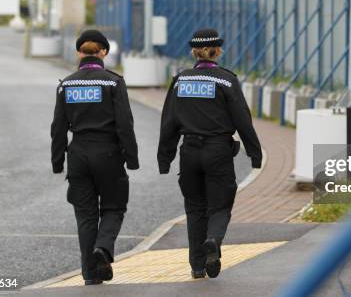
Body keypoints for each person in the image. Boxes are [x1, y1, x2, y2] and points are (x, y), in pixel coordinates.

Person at [157, 28, 262, 279]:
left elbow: (169, 121)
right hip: (218, 151)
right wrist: (255, 154)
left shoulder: (181, 80)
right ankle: (213, 241)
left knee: (194, 209)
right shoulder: (227, 80)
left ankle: (197, 266)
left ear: (194, 51)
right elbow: (242, 120)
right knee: (220, 205)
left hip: (189, 152)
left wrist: (165, 158)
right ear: (217, 51)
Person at [50, 29, 139, 285]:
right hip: (109, 154)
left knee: (86, 216)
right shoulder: (113, 82)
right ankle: (103, 248)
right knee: (113, 207)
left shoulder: (66, 84)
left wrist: (58, 162)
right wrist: (131, 158)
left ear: (79, 52)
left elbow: (58, 128)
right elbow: (125, 124)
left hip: (77, 156)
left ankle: (90, 275)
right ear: (103, 53)